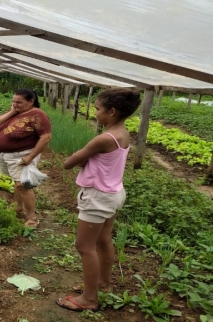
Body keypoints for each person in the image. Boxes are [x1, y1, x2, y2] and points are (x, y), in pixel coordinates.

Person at [56, 88, 141, 312]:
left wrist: (78, 158)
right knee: (103, 239)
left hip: (98, 196)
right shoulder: (122, 133)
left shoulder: (103, 138)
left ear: (111, 111)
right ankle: (102, 283)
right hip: (113, 192)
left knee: (84, 245)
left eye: (97, 109)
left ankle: (89, 299)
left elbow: (69, 162)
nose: (94, 113)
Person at [0, 88, 52, 228]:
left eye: (19, 102)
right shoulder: (16, 113)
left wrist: (30, 156)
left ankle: (32, 218)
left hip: (21, 155)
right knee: (17, 181)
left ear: (31, 101)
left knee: (22, 185)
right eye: (13, 102)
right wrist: (12, 111)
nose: (15, 104)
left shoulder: (37, 115)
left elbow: (46, 137)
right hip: (6, 154)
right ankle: (17, 207)